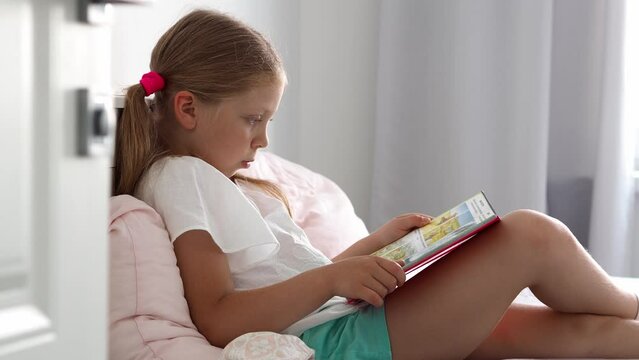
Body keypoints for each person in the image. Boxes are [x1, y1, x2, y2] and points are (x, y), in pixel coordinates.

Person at [113, 9, 639, 359]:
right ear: (187, 109)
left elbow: (299, 278)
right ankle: (627, 301)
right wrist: (331, 282)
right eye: (254, 119)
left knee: (582, 333)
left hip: (348, 322)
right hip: (340, 341)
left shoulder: (219, 180)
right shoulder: (181, 178)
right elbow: (219, 319)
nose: (264, 141)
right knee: (531, 236)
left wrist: (374, 247)